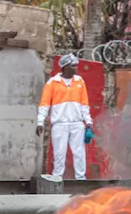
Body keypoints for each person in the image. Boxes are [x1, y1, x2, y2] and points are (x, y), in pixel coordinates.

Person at [36, 53, 93, 182]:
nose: (76, 68)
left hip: (77, 123)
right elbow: (44, 104)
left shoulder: (79, 82)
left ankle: (80, 179)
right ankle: (57, 179)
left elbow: (84, 103)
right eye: (73, 66)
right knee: (59, 154)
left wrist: (88, 120)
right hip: (59, 124)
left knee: (79, 153)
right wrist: (40, 122)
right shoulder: (52, 83)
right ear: (65, 66)